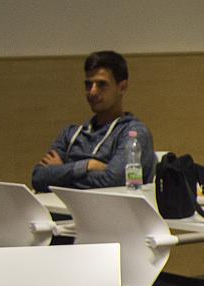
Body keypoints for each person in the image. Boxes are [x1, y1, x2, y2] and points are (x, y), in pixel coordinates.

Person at [31, 51, 155, 193]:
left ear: (122, 87)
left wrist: (59, 172)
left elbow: (113, 182)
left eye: (102, 84)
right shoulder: (71, 133)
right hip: (63, 206)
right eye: (88, 84)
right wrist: (87, 166)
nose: (92, 92)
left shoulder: (133, 132)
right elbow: (38, 177)